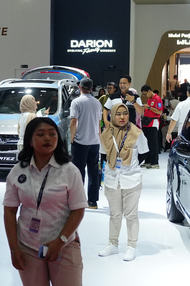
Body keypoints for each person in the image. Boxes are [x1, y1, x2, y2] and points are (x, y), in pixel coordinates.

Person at [2, 117, 113, 286]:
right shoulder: (19, 171)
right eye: (41, 134)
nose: (48, 138)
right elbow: (9, 211)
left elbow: (78, 210)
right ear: (30, 140)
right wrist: (14, 248)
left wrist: (60, 241)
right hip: (28, 246)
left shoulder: (69, 170)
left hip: (63, 246)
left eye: (52, 134)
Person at [99, 102, 149, 261]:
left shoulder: (136, 133)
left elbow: (144, 154)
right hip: (112, 179)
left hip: (131, 179)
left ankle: (131, 246)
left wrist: (130, 166)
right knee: (114, 214)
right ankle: (112, 244)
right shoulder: (106, 133)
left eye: (125, 113)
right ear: (112, 115)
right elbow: (103, 155)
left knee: (131, 215)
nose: (122, 117)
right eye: (118, 114)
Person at [68, 77, 103, 209]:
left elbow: (73, 122)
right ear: (91, 88)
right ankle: (93, 201)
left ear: (80, 87)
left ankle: (78, 199)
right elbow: (99, 123)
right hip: (94, 141)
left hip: (80, 141)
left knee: (78, 172)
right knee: (93, 171)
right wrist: (99, 138)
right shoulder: (97, 103)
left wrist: (72, 138)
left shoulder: (76, 102)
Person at [138, 84, 162, 169]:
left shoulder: (157, 99)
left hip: (153, 122)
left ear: (149, 91)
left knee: (153, 143)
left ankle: (155, 162)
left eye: (145, 94)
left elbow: (159, 112)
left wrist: (149, 108)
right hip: (146, 122)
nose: (145, 96)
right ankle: (147, 161)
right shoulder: (149, 99)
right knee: (146, 142)